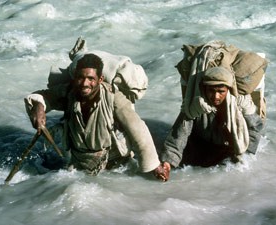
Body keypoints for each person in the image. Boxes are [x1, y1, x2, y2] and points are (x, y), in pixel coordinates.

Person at [24, 52, 170, 181]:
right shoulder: (69, 92)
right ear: (75, 77)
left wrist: (154, 166)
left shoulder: (114, 97)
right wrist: (39, 106)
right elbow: (43, 96)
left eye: (90, 78)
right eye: (80, 78)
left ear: (100, 79)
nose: (85, 83)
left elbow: (137, 128)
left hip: (112, 159)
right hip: (78, 158)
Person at [160, 66, 264, 169]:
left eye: (221, 91)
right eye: (211, 90)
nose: (216, 96)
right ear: (204, 89)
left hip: (227, 148)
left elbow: (255, 128)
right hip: (201, 145)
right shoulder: (196, 105)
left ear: (228, 89)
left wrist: (245, 156)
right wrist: (168, 162)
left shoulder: (239, 104)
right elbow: (179, 133)